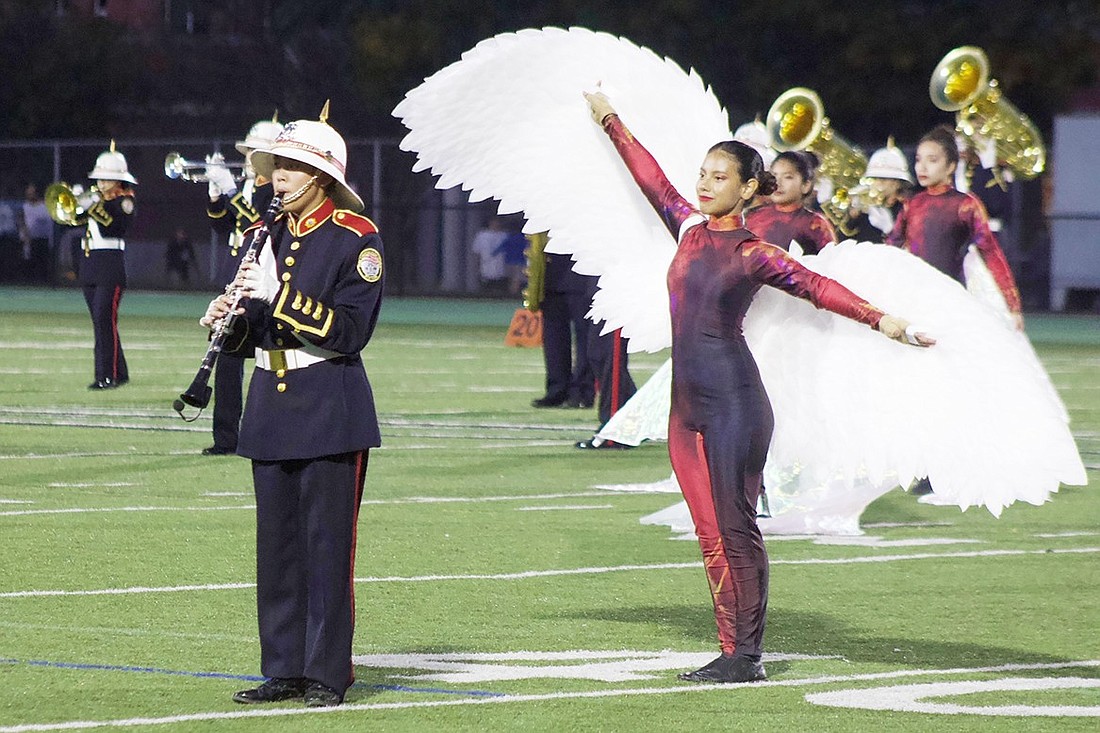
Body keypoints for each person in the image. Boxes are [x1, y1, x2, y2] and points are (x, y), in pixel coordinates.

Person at [584, 90, 933, 684]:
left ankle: (746, 655)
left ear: (748, 188)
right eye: (702, 173)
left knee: (736, 527)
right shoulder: (689, 229)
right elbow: (652, 180)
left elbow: (816, 286)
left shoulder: (752, 252)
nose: (703, 184)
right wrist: (611, 121)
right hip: (685, 408)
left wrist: (885, 320)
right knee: (708, 535)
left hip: (734, 406)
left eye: (719, 177)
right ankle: (730, 651)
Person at [200, 104, 384, 708]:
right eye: (277, 165)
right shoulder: (267, 232)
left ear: (322, 176)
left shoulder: (357, 239)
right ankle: (283, 666)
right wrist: (225, 326)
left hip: (329, 403)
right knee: (276, 547)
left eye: (290, 167)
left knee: (327, 547)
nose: (277, 177)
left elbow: (350, 332)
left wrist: (278, 295)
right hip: (271, 405)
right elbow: (254, 327)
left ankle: (327, 673)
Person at [888, 124, 1024, 332]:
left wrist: (1012, 305)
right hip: (914, 300)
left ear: (951, 166)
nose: (922, 167)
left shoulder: (966, 204)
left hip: (951, 301)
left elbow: (991, 253)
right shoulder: (912, 205)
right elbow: (890, 250)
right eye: (918, 159)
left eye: (932, 160)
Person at [200, 114, 282, 457]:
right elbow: (226, 230)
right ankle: (226, 438)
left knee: (273, 360)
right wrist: (217, 196)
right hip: (240, 280)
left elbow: (260, 225)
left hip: (266, 283)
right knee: (228, 359)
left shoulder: (274, 189)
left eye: (254, 152)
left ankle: (271, 432)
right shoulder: (249, 187)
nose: (248, 158)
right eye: (248, 152)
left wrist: (231, 191)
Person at [72, 142, 137, 390]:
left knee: (104, 319)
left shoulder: (124, 202)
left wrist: (93, 206)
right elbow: (73, 220)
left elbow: (112, 227)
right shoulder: (96, 199)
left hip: (110, 265)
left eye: (106, 179)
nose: (101, 184)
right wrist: (79, 202)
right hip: (89, 263)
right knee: (101, 321)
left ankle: (106, 376)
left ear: (119, 180)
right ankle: (120, 372)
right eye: (99, 179)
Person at [531, 248, 596, 408]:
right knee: (553, 337)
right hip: (551, 273)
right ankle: (556, 390)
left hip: (583, 272)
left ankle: (581, 391)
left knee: (584, 337)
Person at [745, 151, 837, 254]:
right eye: (774, 175)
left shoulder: (816, 224)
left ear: (805, 185)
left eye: (788, 177)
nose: (778, 183)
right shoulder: (754, 214)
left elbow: (830, 262)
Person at [847, 138, 914, 242]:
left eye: (883, 179)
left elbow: (914, 247)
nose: (877, 183)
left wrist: (890, 230)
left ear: (897, 183)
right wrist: (851, 218)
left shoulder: (909, 210)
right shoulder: (864, 209)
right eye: (874, 178)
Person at [19, 184, 53, 283]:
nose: (30, 195)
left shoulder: (44, 206)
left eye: (32, 193)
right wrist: (24, 235)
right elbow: (22, 221)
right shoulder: (25, 206)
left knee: (42, 263)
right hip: (30, 239)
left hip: (43, 239)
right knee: (30, 263)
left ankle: (44, 281)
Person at [470, 215, 508, 293]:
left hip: (500, 269)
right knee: (486, 289)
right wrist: (476, 266)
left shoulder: (504, 235)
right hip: (486, 268)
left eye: (497, 222)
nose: (496, 224)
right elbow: (477, 251)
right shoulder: (482, 235)